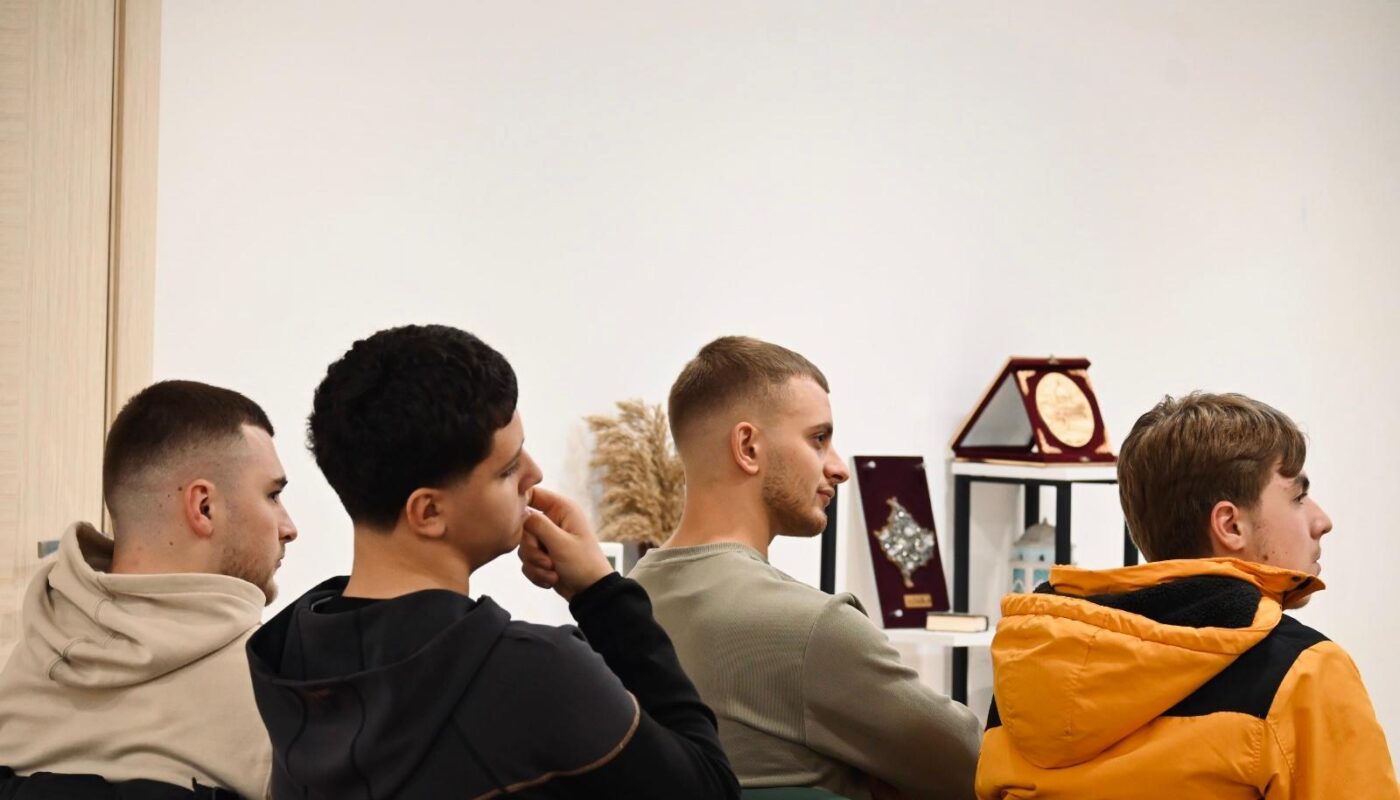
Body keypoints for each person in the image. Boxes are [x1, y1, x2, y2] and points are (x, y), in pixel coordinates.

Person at [246, 324, 739, 800]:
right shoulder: (536, 674)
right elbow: (709, 787)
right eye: (507, 469)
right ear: (428, 511)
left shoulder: (291, 657)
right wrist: (602, 595)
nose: (534, 474)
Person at [976, 392, 1399, 798]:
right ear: (1230, 526)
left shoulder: (1032, 670)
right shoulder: (1304, 674)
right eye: (1299, 496)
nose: (1322, 520)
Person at [628, 335, 981, 800]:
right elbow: (977, 768)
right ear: (748, 447)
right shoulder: (813, 628)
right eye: (818, 439)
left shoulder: (619, 610)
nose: (839, 468)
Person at [0, 380, 298, 799]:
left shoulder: (18, 675)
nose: (289, 527)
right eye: (273, 495)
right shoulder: (279, 703)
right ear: (204, 507)